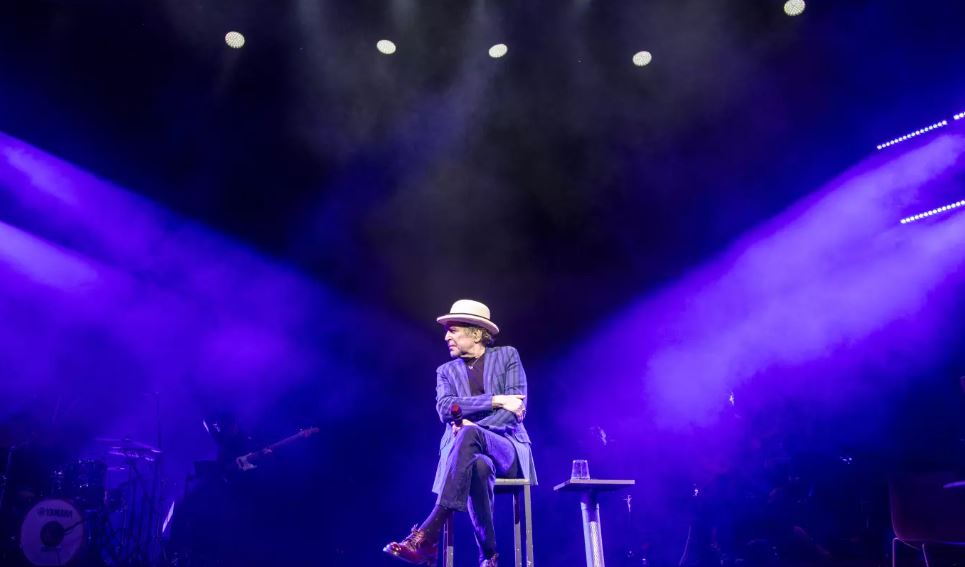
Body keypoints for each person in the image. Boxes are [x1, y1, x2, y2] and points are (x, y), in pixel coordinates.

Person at [384, 299, 537, 567]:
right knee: (478, 467)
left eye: (453, 330)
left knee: (469, 434)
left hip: (506, 449)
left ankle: (427, 536)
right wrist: (496, 400)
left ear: (476, 333)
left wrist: (472, 426)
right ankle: (489, 556)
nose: (446, 337)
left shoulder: (507, 356)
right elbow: (446, 409)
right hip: (468, 456)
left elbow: (514, 411)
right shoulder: (445, 371)